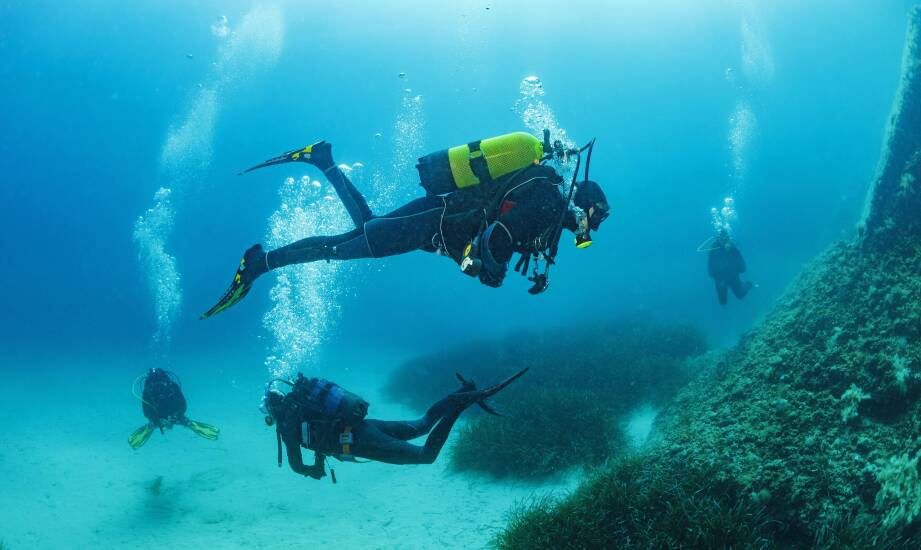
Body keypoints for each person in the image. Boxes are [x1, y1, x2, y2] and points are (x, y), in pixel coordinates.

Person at [201, 131, 610, 319]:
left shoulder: (546, 200)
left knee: (366, 229)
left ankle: (322, 159)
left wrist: (477, 259)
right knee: (343, 247)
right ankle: (260, 262)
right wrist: (492, 269)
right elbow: (499, 235)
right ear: (586, 206)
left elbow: (491, 231)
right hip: (431, 222)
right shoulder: (547, 203)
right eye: (595, 219)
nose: (589, 231)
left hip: (436, 219)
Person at [261, 368, 528, 480]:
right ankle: (460, 393)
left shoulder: (286, 426)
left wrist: (314, 471)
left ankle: (459, 405)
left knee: (425, 456)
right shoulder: (305, 403)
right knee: (423, 423)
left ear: (272, 410)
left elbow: (297, 467)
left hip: (359, 442)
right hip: (364, 426)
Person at [128, 368, 220, 449]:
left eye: (161, 384)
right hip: (158, 417)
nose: (158, 387)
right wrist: (157, 420)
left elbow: (182, 405)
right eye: (155, 385)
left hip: (174, 414)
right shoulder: (149, 391)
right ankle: (156, 424)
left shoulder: (171, 386)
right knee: (185, 422)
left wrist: (176, 416)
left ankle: (156, 425)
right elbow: (147, 411)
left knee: (185, 421)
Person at [707, 229, 754, 306]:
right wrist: (718, 278)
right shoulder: (714, 250)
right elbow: (710, 269)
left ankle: (748, 284)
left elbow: (743, 268)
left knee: (741, 295)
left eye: (726, 239)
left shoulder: (734, 249)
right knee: (723, 302)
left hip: (733, 277)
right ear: (718, 239)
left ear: (728, 238)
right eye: (722, 239)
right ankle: (740, 284)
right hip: (721, 280)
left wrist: (736, 270)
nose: (724, 241)